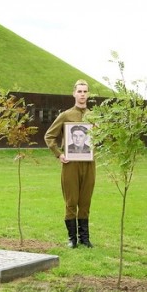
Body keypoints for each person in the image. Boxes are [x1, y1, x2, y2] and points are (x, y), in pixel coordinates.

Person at [44, 80, 96, 248]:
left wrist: (100, 131)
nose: (82, 94)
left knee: (86, 201)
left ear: (88, 94)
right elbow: (49, 136)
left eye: (85, 91)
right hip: (71, 165)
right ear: (74, 93)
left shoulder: (94, 116)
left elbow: (105, 139)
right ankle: (72, 239)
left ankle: (85, 238)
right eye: (79, 91)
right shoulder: (66, 115)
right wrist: (59, 154)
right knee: (71, 201)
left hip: (89, 164)